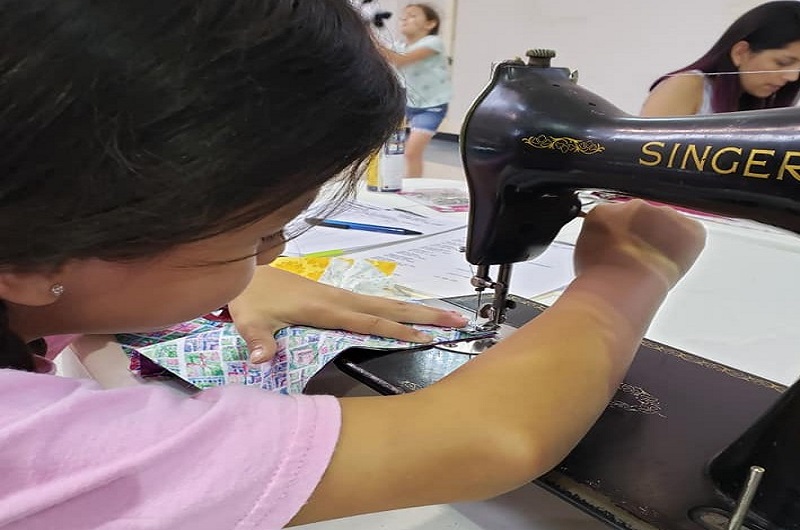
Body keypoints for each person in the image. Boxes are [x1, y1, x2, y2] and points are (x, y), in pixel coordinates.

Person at [0, 1, 707, 528]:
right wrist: (630, 274)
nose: (275, 257)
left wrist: (226, 282)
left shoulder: (29, 274)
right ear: (36, 256)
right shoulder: (30, 445)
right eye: (259, 238)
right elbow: (491, 439)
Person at [641, 0, 800, 117]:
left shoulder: (761, 103)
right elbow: (643, 156)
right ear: (740, 52)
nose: (793, 76)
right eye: (783, 63)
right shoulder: (686, 86)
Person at [378, 3, 452, 178]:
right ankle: (391, 182)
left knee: (411, 152)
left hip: (432, 106)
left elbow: (400, 60)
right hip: (407, 103)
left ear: (430, 24)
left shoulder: (433, 43)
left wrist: (369, 40)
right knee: (388, 148)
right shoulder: (400, 45)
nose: (404, 19)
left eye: (412, 16)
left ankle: (413, 189)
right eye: (403, 16)